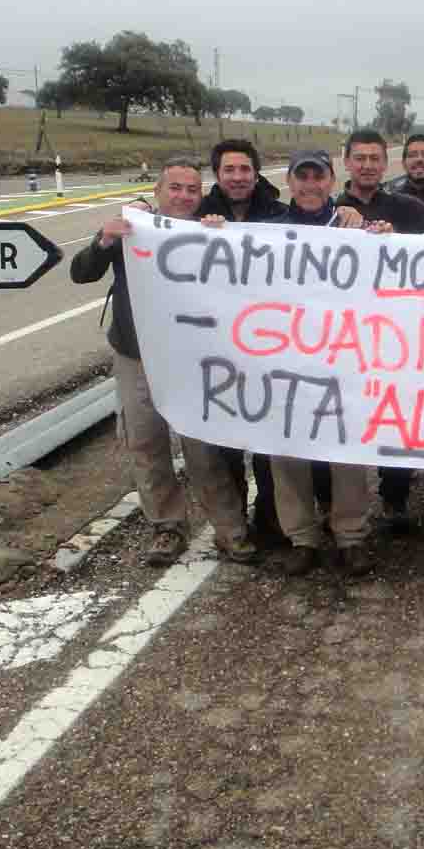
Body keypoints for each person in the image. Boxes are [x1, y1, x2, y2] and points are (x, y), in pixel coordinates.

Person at [69, 156, 256, 566]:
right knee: (147, 443)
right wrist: (103, 239)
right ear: (158, 191)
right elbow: (80, 273)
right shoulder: (132, 229)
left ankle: (230, 529)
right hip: (136, 356)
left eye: (192, 189)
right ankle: (167, 526)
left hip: (194, 358)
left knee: (204, 445)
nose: (184, 196)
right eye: (175, 187)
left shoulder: (211, 230)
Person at [264, 149, 376, 577]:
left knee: (347, 448)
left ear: (332, 181)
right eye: (301, 177)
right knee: (286, 448)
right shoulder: (267, 233)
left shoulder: (354, 228)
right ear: (289, 183)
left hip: (342, 356)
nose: (310, 185)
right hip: (284, 357)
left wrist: (377, 234)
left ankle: (350, 535)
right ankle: (303, 537)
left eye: (318, 177)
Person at [336, 128, 424, 534]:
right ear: (346, 162)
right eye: (359, 158)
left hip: (396, 333)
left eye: (375, 159)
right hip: (341, 333)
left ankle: (395, 499)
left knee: (395, 414)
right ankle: (335, 502)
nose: (367, 166)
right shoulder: (327, 206)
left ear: (384, 163)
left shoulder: (408, 208)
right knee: (339, 416)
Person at [196, 138, 292, 546]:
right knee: (225, 444)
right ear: (217, 175)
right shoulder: (196, 217)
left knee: (271, 443)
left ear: (257, 174)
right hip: (217, 349)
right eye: (229, 170)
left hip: (271, 348)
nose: (237, 177)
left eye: (245, 170)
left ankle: (272, 522)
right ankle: (234, 528)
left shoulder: (279, 214)